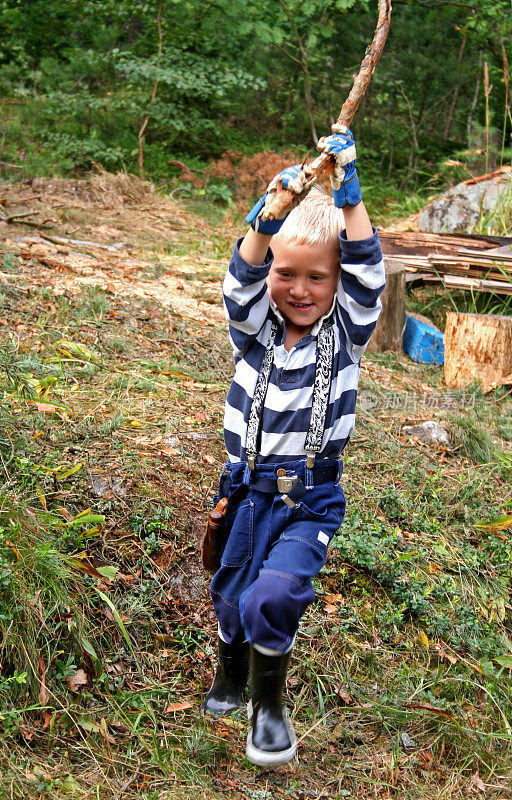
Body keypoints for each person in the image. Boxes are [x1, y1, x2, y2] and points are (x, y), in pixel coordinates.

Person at [202, 128, 385, 768]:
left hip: (308, 499)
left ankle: (268, 706)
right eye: (286, 274)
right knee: (229, 595)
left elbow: (368, 276)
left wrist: (349, 199)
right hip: (244, 490)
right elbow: (240, 280)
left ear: (336, 283)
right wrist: (269, 215)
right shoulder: (253, 332)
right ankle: (229, 669)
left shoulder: (348, 335)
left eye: (317, 277)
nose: (300, 290)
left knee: (270, 597)